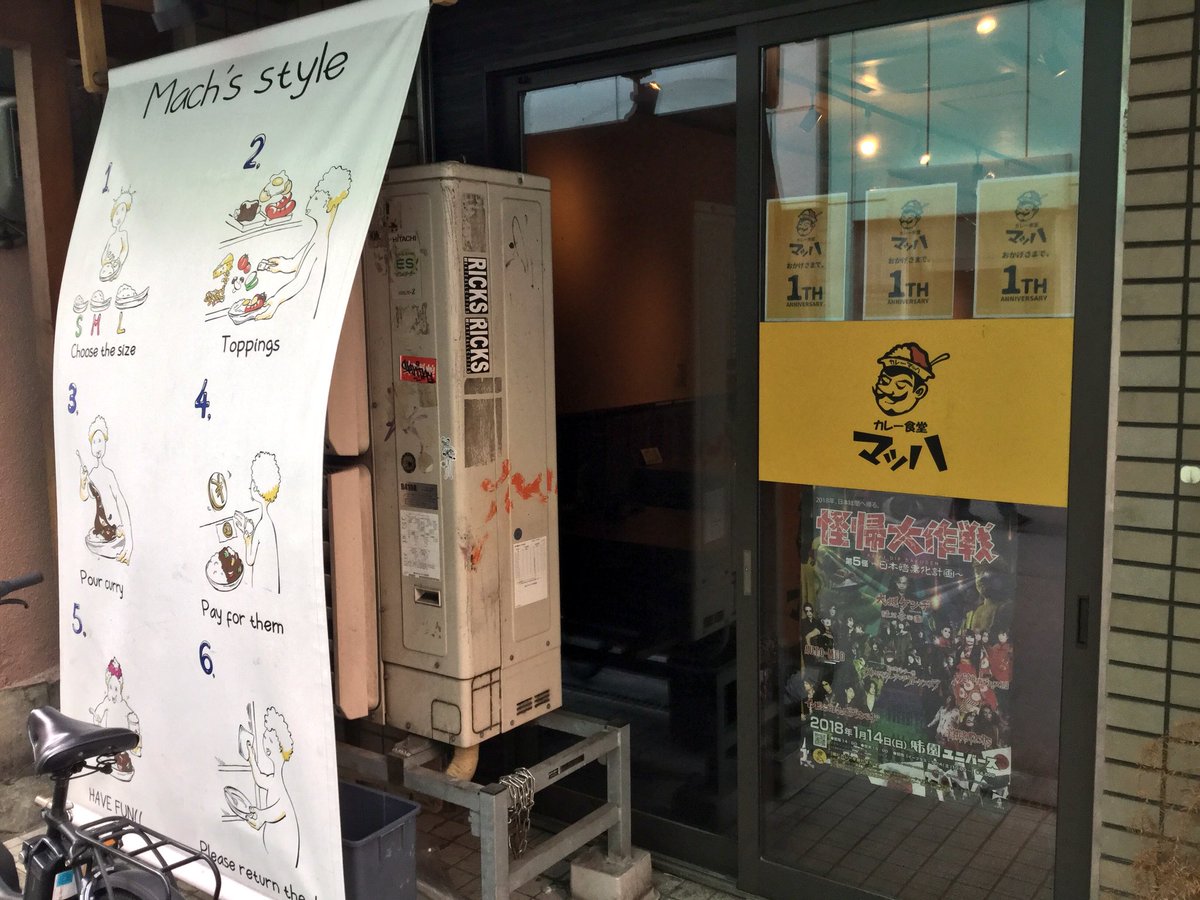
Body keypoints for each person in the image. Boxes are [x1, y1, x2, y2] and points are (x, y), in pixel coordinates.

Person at [256, 166, 352, 320]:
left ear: (328, 206)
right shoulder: (316, 238)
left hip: (305, 313)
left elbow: (299, 282)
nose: (310, 200)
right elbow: (296, 263)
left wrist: (276, 300)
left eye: (316, 198)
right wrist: (281, 264)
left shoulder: (320, 244)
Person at [245, 707, 299, 866]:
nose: (265, 743)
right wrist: (251, 758)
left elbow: (281, 810)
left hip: (284, 848)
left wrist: (262, 815)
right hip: (274, 845)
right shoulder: (274, 779)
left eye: (269, 740)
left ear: (281, 747)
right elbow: (260, 779)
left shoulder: (281, 783)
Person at [79, 416, 133, 564]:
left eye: (100, 441)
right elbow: (84, 496)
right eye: (94, 442)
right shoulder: (92, 474)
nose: (97, 446)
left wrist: (129, 541)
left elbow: (119, 499)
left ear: (105, 443)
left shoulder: (109, 474)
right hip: (100, 530)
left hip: (114, 530)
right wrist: (83, 481)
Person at [90, 658, 140, 781]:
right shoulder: (106, 703)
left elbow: (131, 715)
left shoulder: (123, 706)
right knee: (107, 752)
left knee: (121, 754)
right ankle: (108, 763)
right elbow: (99, 712)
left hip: (121, 740)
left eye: (116, 689)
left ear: (121, 689)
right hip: (108, 739)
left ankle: (122, 766)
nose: (113, 693)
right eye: (111, 688)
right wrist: (97, 718)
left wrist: (132, 718)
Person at [243, 451, 281, 593]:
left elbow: (250, 560)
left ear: (256, 488)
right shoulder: (269, 524)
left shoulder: (261, 526)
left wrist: (247, 538)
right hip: (271, 586)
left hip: (262, 587)